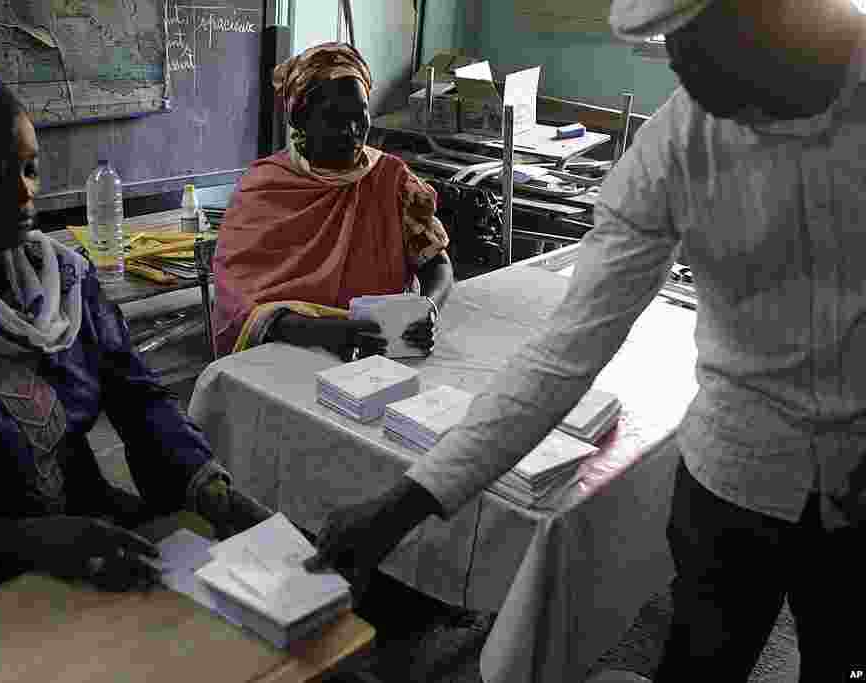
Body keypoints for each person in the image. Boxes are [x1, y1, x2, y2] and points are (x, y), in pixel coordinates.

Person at [305, 1, 866, 680]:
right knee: (703, 662)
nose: (683, 71)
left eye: (699, 45)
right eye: (670, 47)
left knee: (841, 653)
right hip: (735, 477)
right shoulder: (676, 147)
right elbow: (563, 351)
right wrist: (401, 506)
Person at [0, 56, 272, 638]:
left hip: (89, 541)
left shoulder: (62, 283)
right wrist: (13, 539)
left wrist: (214, 492)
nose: (25, 193)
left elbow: (138, 398)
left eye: (29, 168)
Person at [211, 42, 454, 360]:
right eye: (334, 118)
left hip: (380, 352)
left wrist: (427, 308)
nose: (351, 131)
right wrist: (322, 331)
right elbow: (237, 297)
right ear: (300, 120)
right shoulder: (263, 190)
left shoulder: (393, 181)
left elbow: (437, 263)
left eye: (360, 116)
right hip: (288, 353)